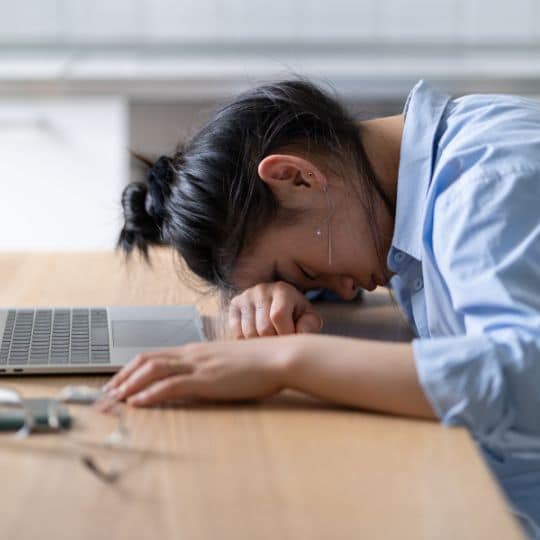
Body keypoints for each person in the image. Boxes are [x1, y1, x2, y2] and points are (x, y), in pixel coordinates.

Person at [103, 79, 540, 536]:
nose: (337, 286)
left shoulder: (486, 186)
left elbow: (525, 376)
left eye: (302, 274)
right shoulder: (411, 187)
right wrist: (273, 297)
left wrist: (284, 362)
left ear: (297, 177)